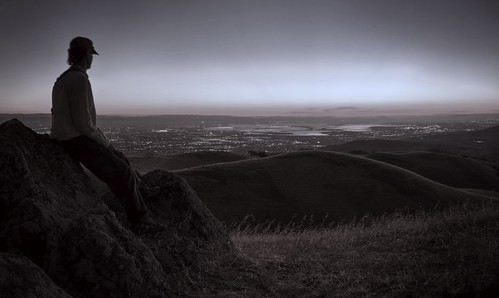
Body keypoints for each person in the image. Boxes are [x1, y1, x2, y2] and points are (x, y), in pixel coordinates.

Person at [51, 36, 162, 234]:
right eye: (91, 55)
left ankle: (142, 192)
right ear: (86, 56)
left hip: (67, 137)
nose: (92, 59)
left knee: (119, 158)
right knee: (122, 172)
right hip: (75, 139)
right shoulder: (79, 79)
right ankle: (139, 220)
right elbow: (83, 122)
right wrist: (103, 142)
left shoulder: (64, 79)